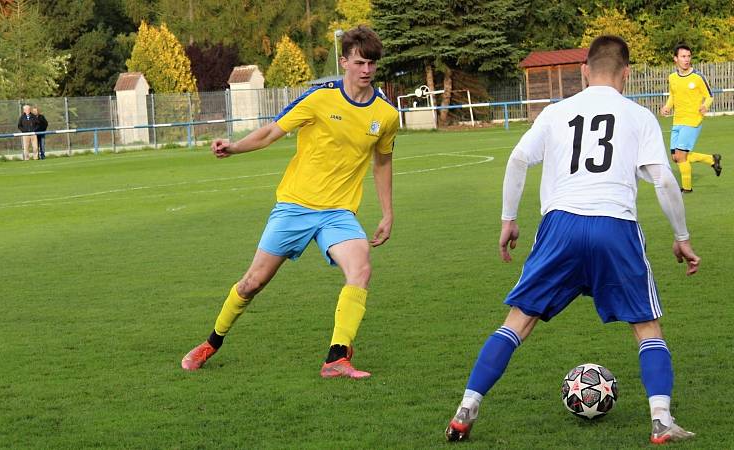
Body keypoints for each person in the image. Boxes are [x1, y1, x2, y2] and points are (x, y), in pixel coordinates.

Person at [445, 35, 700, 445]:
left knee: (518, 322)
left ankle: (466, 408)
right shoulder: (639, 116)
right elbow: (665, 180)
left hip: (559, 225)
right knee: (647, 328)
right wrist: (681, 237)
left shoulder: (555, 112)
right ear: (627, 75)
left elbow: (517, 160)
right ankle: (661, 419)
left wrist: (509, 218)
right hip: (615, 226)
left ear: (584, 70)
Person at [180, 25, 399, 379]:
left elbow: (383, 161)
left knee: (361, 268)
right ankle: (211, 342)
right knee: (252, 283)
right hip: (295, 206)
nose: (367, 70)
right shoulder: (319, 98)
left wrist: (388, 212)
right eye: (359, 62)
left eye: (372, 63)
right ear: (343, 61)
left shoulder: (386, 114)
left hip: (338, 213)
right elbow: (271, 132)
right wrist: (233, 148)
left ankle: (337, 358)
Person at [660, 43, 722, 193]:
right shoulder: (672, 77)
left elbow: (709, 96)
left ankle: (687, 188)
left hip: (693, 120)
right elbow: (673, 96)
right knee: (676, 157)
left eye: (688, 56)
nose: (686, 59)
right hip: (677, 121)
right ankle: (712, 160)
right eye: (683, 56)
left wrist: (705, 106)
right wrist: (667, 107)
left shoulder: (698, 77)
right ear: (676, 59)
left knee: (681, 156)